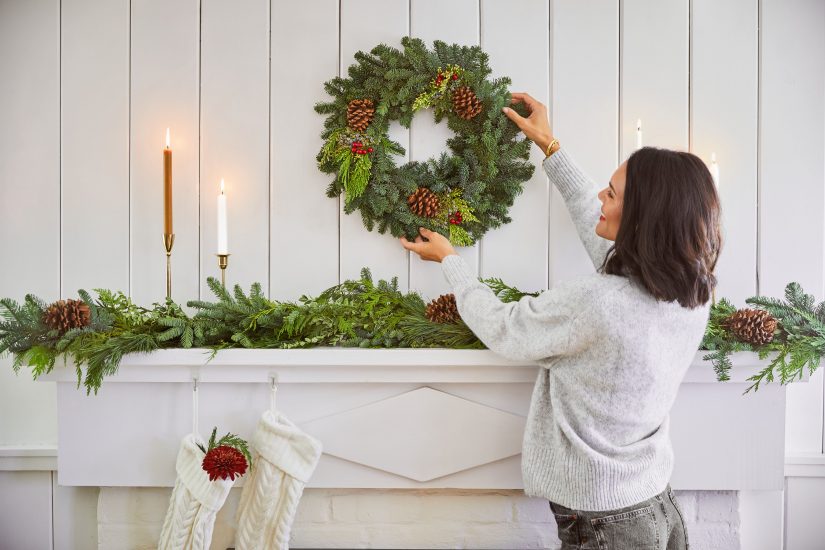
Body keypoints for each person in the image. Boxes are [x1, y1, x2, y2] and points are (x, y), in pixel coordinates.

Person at [400, 92, 721, 549]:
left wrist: (450, 260)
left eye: (612, 194)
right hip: (655, 504)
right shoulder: (691, 290)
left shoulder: (600, 303)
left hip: (605, 525)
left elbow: (504, 328)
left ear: (641, 220)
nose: (600, 199)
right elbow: (603, 229)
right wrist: (549, 146)